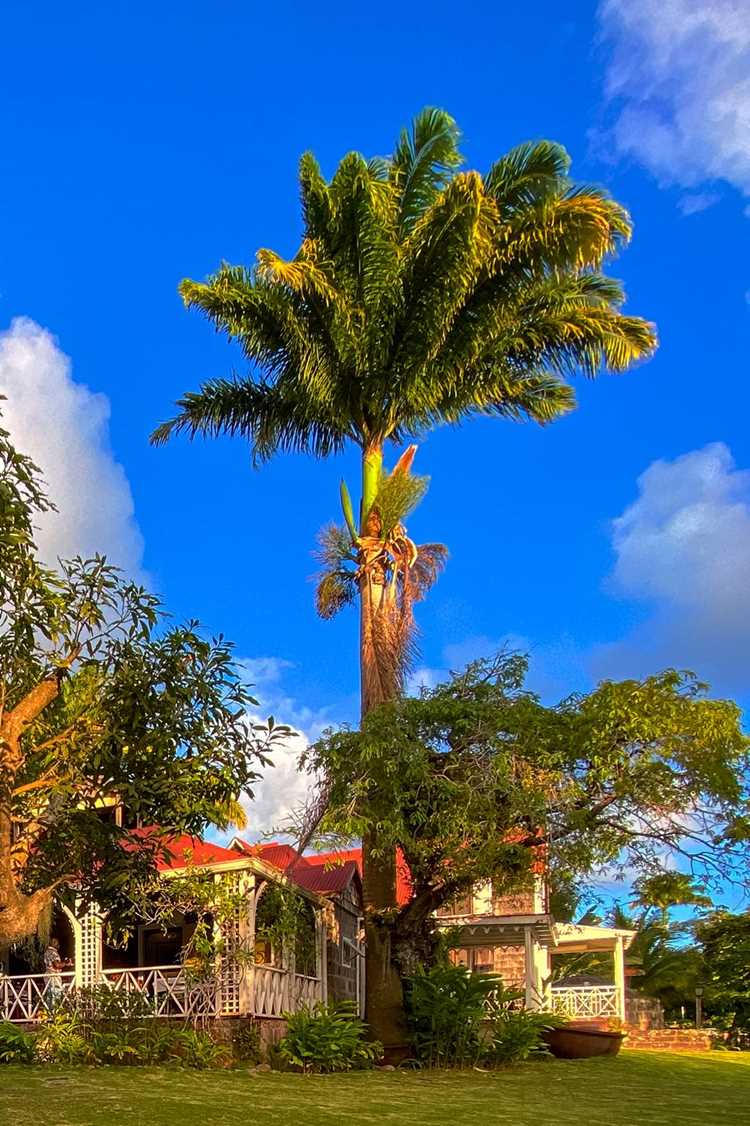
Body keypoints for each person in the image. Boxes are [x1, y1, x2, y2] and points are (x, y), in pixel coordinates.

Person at [43, 938, 68, 1010]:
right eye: (57, 943)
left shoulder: (47, 952)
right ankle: (55, 1013)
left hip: (47, 976)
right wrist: (66, 963)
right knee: (56, 995)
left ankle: (49, 1013)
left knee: (49, 996)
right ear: (54, 943)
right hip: (54, 976)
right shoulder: (53, 952)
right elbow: (57, 965)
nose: (59, 945)